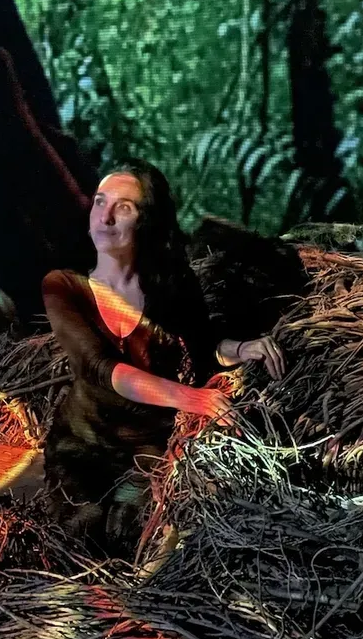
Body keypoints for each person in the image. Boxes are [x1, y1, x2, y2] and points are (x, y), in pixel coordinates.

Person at [42, 161, 285, 553]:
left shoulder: (172, 286)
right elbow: (104, 369)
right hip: (81, 445)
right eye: (100, 202)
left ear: (147, 220)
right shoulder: (64, 288)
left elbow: (203, 348)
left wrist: (242, 348)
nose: (104, 216)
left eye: (123, 207)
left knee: (128, 534)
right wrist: (194, 399)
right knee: (82, 528)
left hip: (146, 447)